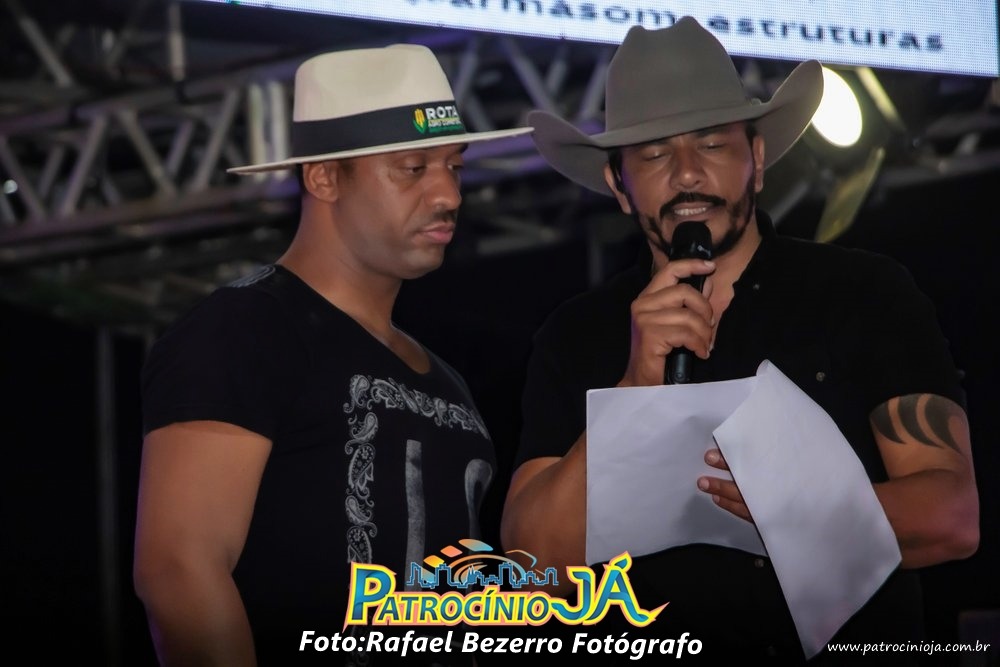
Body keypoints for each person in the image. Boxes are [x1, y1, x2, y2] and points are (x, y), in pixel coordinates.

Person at [501, 16, 979, 664]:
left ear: (755, 160)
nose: (688, 174)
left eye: (712, 144)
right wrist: (633, 390)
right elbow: (529, 570)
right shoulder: (576, 334)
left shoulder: (862, 292)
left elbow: (951, 517)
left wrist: (792, 506)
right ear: (618, 185)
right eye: (654, 154)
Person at [133, 44, 531, 666]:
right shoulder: (247, 327)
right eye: (412, 167)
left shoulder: (448, 381)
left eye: (453, 166)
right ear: (323, 178)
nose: (448, 193)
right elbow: (179, 567)